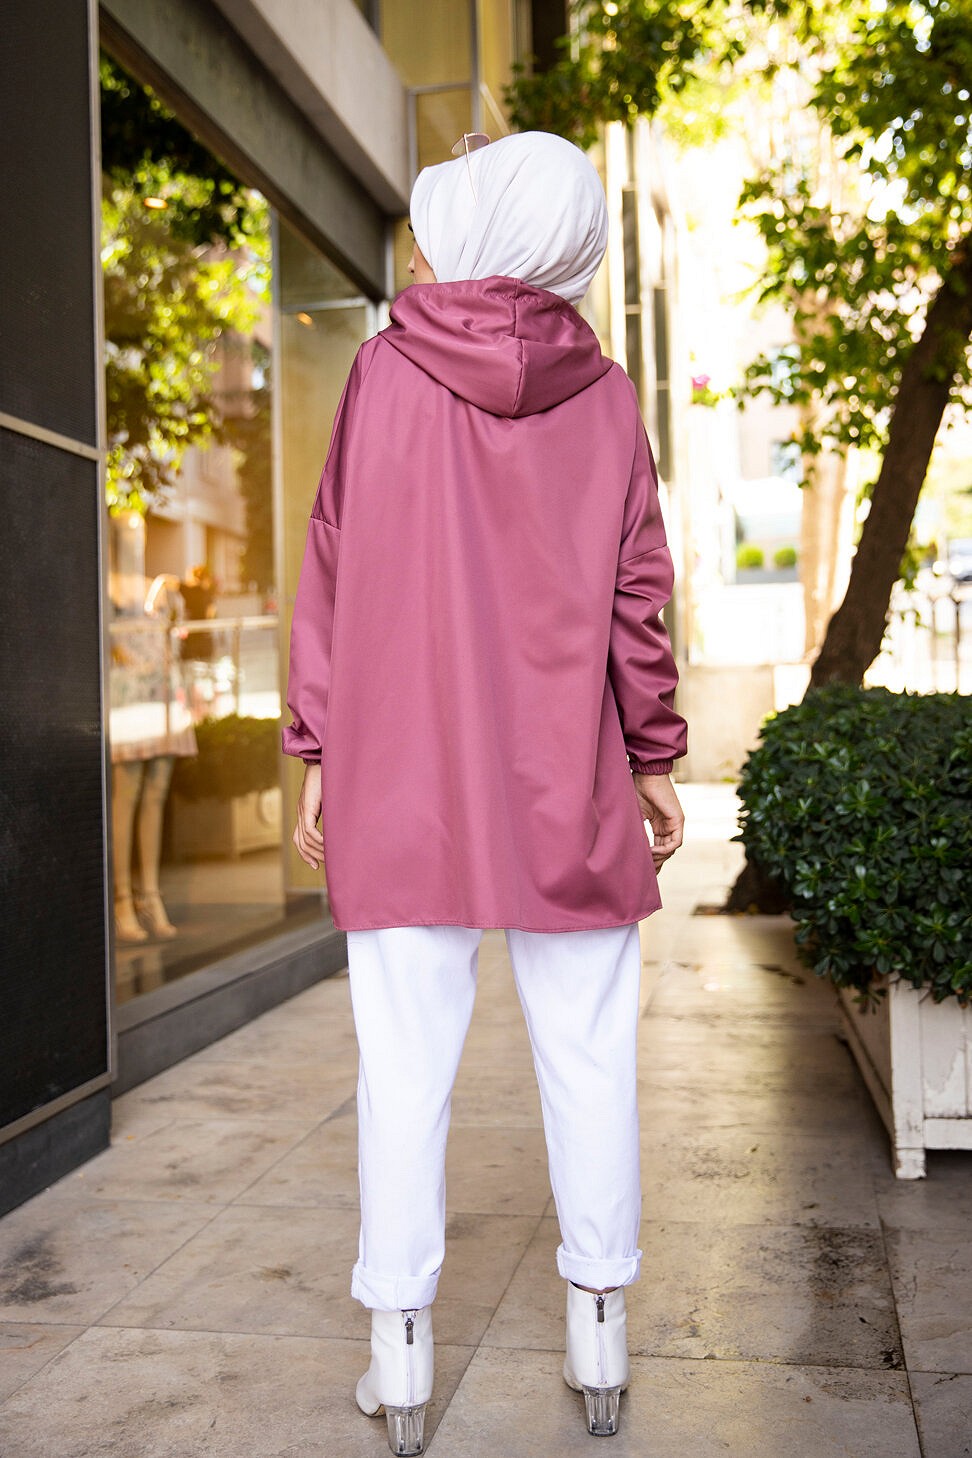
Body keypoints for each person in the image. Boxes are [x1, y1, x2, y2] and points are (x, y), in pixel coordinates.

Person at [283, 130, 687, 1454]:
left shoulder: (382, 373)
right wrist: (653, 756)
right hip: (569, 776)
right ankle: (600, 1338)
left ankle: (399, 1360)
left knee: (403, 1070)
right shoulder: (609, 396)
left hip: (405, 776)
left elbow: (334, 564)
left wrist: (318, 747)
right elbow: (637, 596)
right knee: (592, 1057)